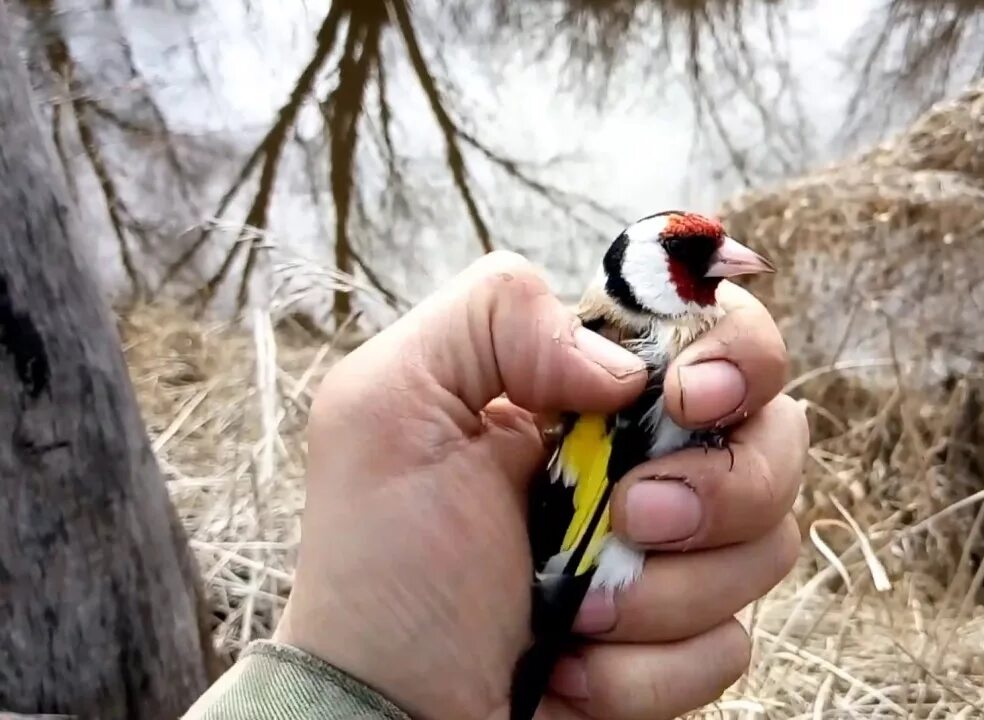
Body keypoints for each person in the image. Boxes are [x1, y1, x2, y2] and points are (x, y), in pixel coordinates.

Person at [184, 251, 808, 720]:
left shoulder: (649, 340)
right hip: (579, 561)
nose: (727, 261)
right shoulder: (637, 349)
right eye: (695, 258)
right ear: (646, 272)